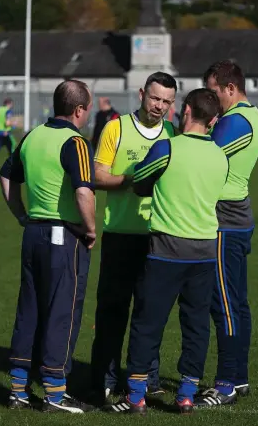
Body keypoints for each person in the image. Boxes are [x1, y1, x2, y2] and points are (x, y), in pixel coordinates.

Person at [106, 88, 229, 415]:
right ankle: (186, 394)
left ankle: (135, 396)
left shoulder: (166, 147)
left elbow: (140, 183)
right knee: (196, 324)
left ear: (185, 111)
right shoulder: (221, 155)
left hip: (166, 248)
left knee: (148, 321)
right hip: (205, 250)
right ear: (213, 120)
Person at [0, 80, 96, 414]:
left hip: (33, 234)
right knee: (61, 311)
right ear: (79, 109)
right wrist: (91, 229)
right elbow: (84, 191)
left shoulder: (32, 135)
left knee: (30, 308)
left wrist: (21, 214)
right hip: (63, 237)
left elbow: (6, 175)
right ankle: (55, 394)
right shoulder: (76, 142)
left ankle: (17, 389)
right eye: (87, 108)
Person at [90, 72, 177, 404]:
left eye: (166, 102)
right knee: (112, 310)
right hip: (120, 234)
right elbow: (97, 175)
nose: (159, 106)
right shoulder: (116, 127)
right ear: (142, 94)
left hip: (159, 235)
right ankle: (105, 379)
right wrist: (132, 177)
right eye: (155, 98)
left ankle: (147, 378)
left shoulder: (172, 132)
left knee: (150, 312)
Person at [194, 60, 258, 407]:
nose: (212, 97)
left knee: (223, 303)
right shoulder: (248, 118)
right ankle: (239, 377)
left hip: (225, 221)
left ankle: (226, 383)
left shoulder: (237, 122)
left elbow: (201, 155)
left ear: (230, 89)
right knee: (236, 302)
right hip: (236, 218)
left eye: (215, 91)